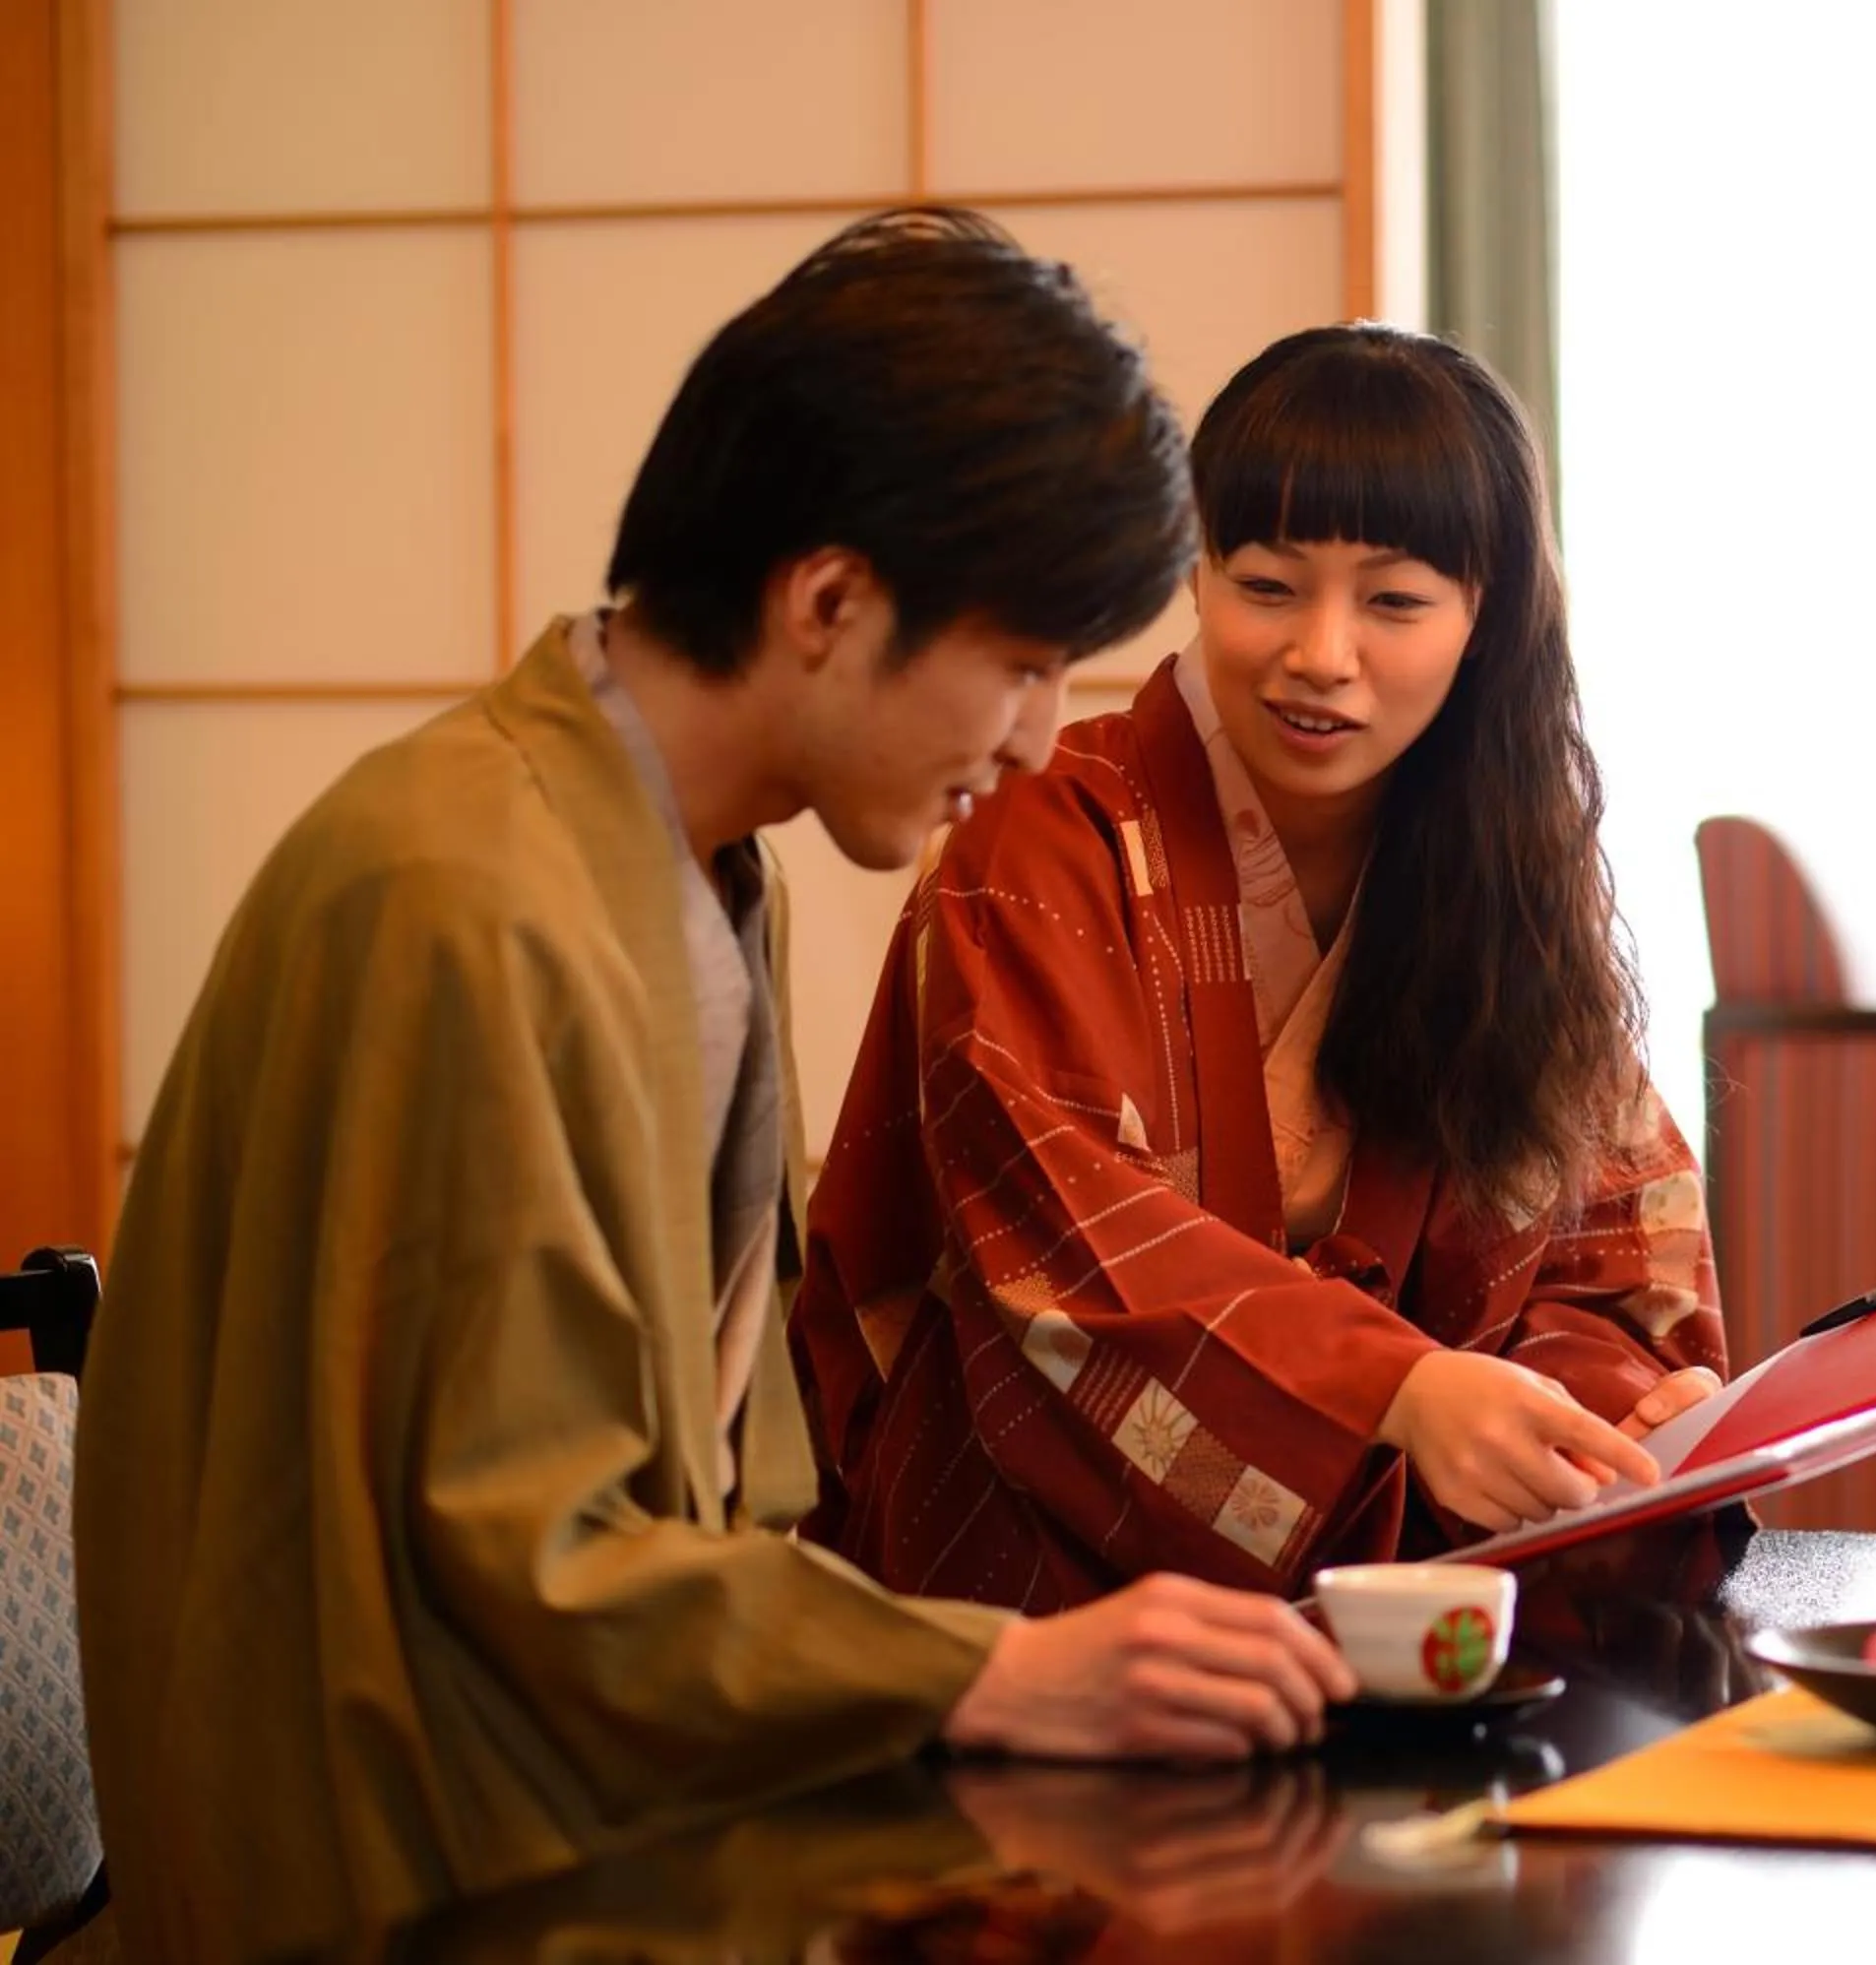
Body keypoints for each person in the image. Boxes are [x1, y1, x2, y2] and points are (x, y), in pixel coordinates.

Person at [72, 210, 1354, 1965]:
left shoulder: (691, 861)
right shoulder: (466, 896)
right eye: (1021, 662)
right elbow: (525, 1553)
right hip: (411, 1872)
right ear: (827, 602)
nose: (1036, 734)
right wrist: (997, 1669)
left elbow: (707, 1489)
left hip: (579, 1816)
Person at [790, 323, 1732, 1614]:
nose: (1321, 654)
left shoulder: (1506, 872)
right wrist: (1398, 1391)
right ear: (1197, 572)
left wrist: (1594, 1417)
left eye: (1395, 601)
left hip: (1420, 1598)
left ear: (1484, 615)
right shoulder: (1044, 841)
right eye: (1269, 585)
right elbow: (1062, 1236)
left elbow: (1604, 1236)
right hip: (1045, 1595)